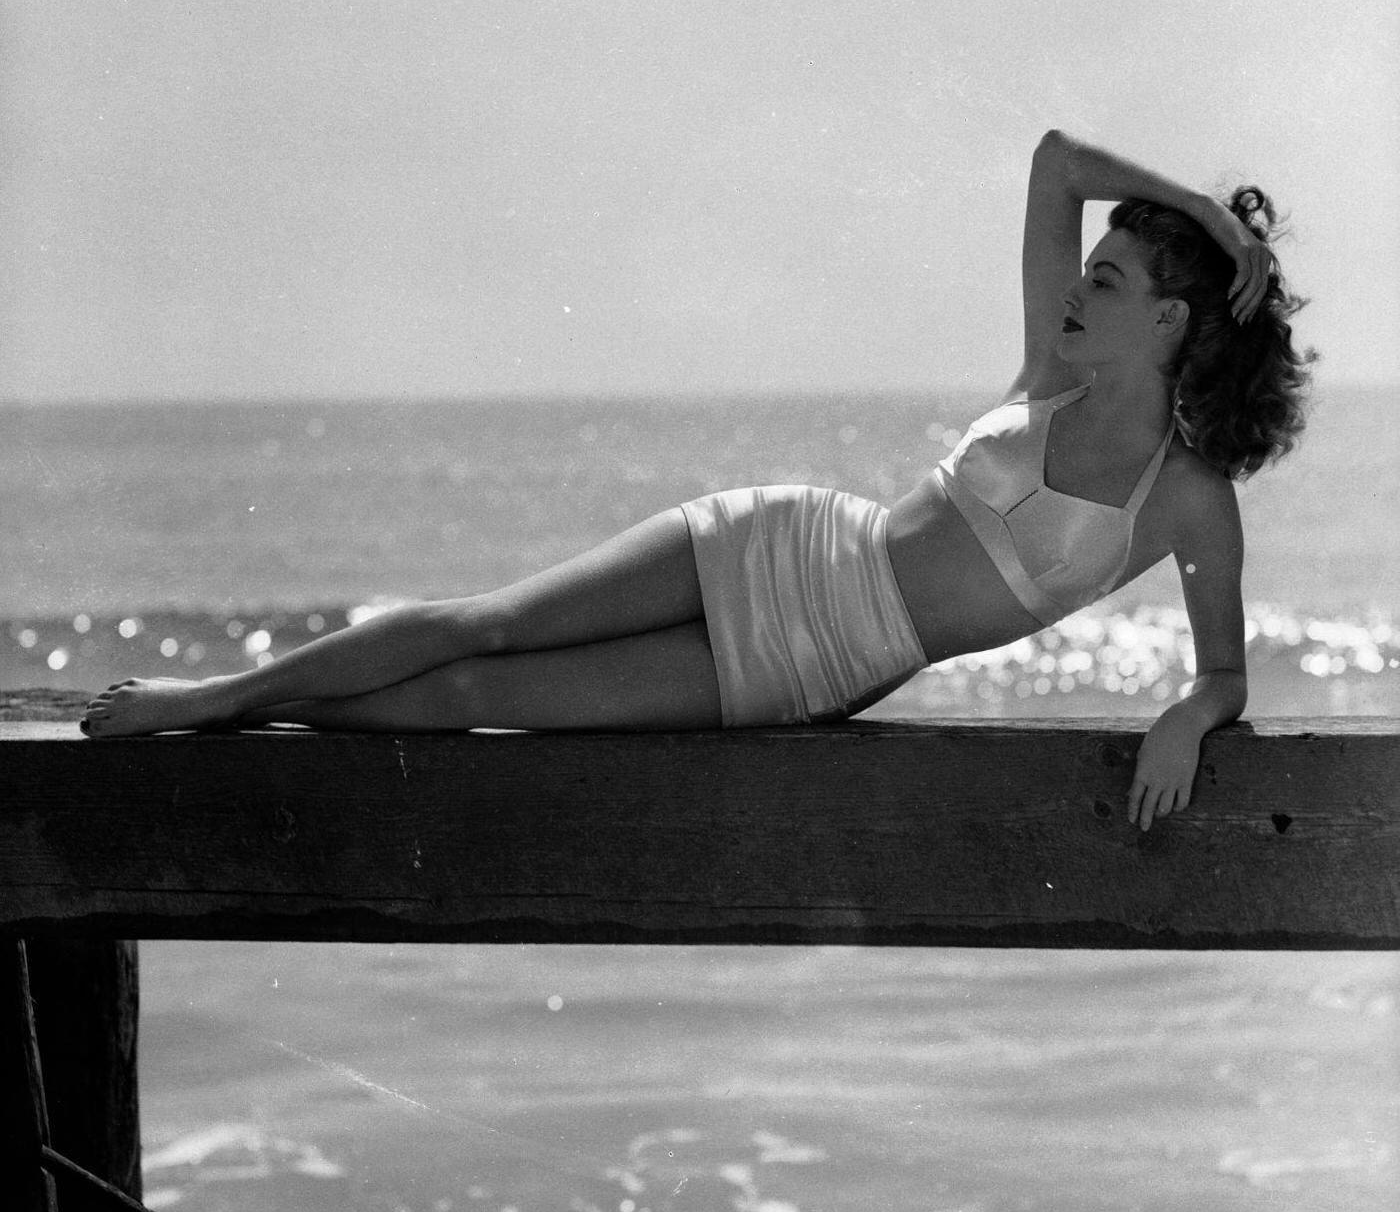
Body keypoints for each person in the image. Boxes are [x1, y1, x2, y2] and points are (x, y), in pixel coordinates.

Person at [80, 130, 1313, 830]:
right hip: (781, 534)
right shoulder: (1047, 371)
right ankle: (217, 697)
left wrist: (1185, 714)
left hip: (810, 663)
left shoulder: (1185, 498)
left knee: (472, 690)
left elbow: (1221, 673)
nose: (1071, 288)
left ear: (1166, 321)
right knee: (488, 619)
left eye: (1104, 281)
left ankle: (243, 708)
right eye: (1083, 270)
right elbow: (1055, 162)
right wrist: (1196, 204)